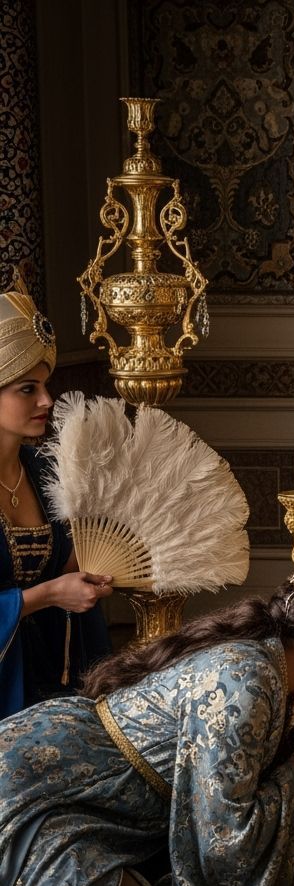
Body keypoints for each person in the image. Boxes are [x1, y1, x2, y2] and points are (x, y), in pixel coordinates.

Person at [0, 550, 294, 886]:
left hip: (85, 790)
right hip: (48, 788)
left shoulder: (272, 666)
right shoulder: (246, 679)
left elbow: (246, 766)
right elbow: (224, 842)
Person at [0, 280, 113, 719]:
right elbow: (47, 588)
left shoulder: (48, 472)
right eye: (27, 389)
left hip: (51, 679)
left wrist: (84, 575)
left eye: (46, 385)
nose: (47, 400)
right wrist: (46, 595)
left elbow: (65, 565)